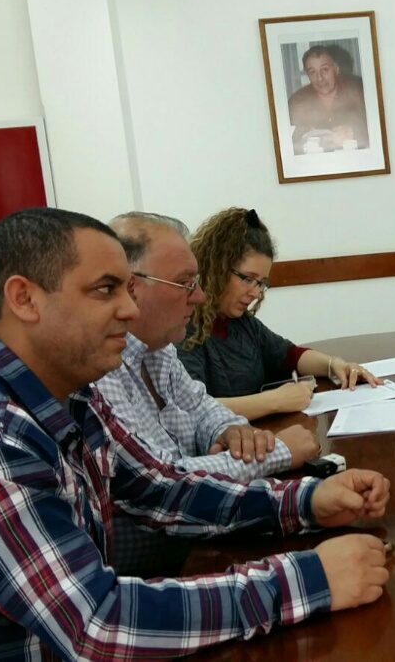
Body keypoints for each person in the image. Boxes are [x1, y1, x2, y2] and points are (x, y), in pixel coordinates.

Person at [0, 208, 393, 659]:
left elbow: (161, 489)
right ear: (24, 298)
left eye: (128, 287)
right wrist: (305, 580)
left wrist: (306, 500)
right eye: (106, 290)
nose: (129, 308)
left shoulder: (68, 396)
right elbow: (97, 625)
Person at [95, 212, 321, 574]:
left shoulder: (158, 348)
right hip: (156, 571)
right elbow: (160, 484)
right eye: (186, 283)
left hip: (203, 535)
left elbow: (201, 407)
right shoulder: (98, 371)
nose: (200, 296)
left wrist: (230, 432)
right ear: (131, 286)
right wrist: (277, 452)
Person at [177, 207, 379, 420]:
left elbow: (289, 355)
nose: (255, 292)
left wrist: (335, 365)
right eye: (247, 278)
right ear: (216, 268)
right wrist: (274, 401)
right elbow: (191, 407)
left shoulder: (240, 323)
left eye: (261, 283)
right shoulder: (182, 329)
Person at [288, 45, 369, 154]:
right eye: (312, 72)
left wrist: (354, 132)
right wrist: (302, 135)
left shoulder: (359, 91)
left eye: (325, 70)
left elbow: (378, 129)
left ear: (336, 69)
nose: (320, 78)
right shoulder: (297, 101)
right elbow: (286, 143)